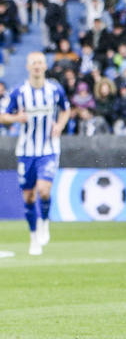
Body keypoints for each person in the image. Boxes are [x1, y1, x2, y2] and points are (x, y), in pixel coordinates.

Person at [0, 52, 70, 255]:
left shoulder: (54, 89)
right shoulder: (19, 92)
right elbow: (3, 116)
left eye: (40, 62)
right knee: (29, 196)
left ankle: (45, 222)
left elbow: (65, 109)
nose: (37, 66)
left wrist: (60, 125)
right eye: (34, 63)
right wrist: (16, 118)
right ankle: (33, 237)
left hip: (48, 149)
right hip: (26, 151)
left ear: (45, 66)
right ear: (28, 67)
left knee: (44, 190)